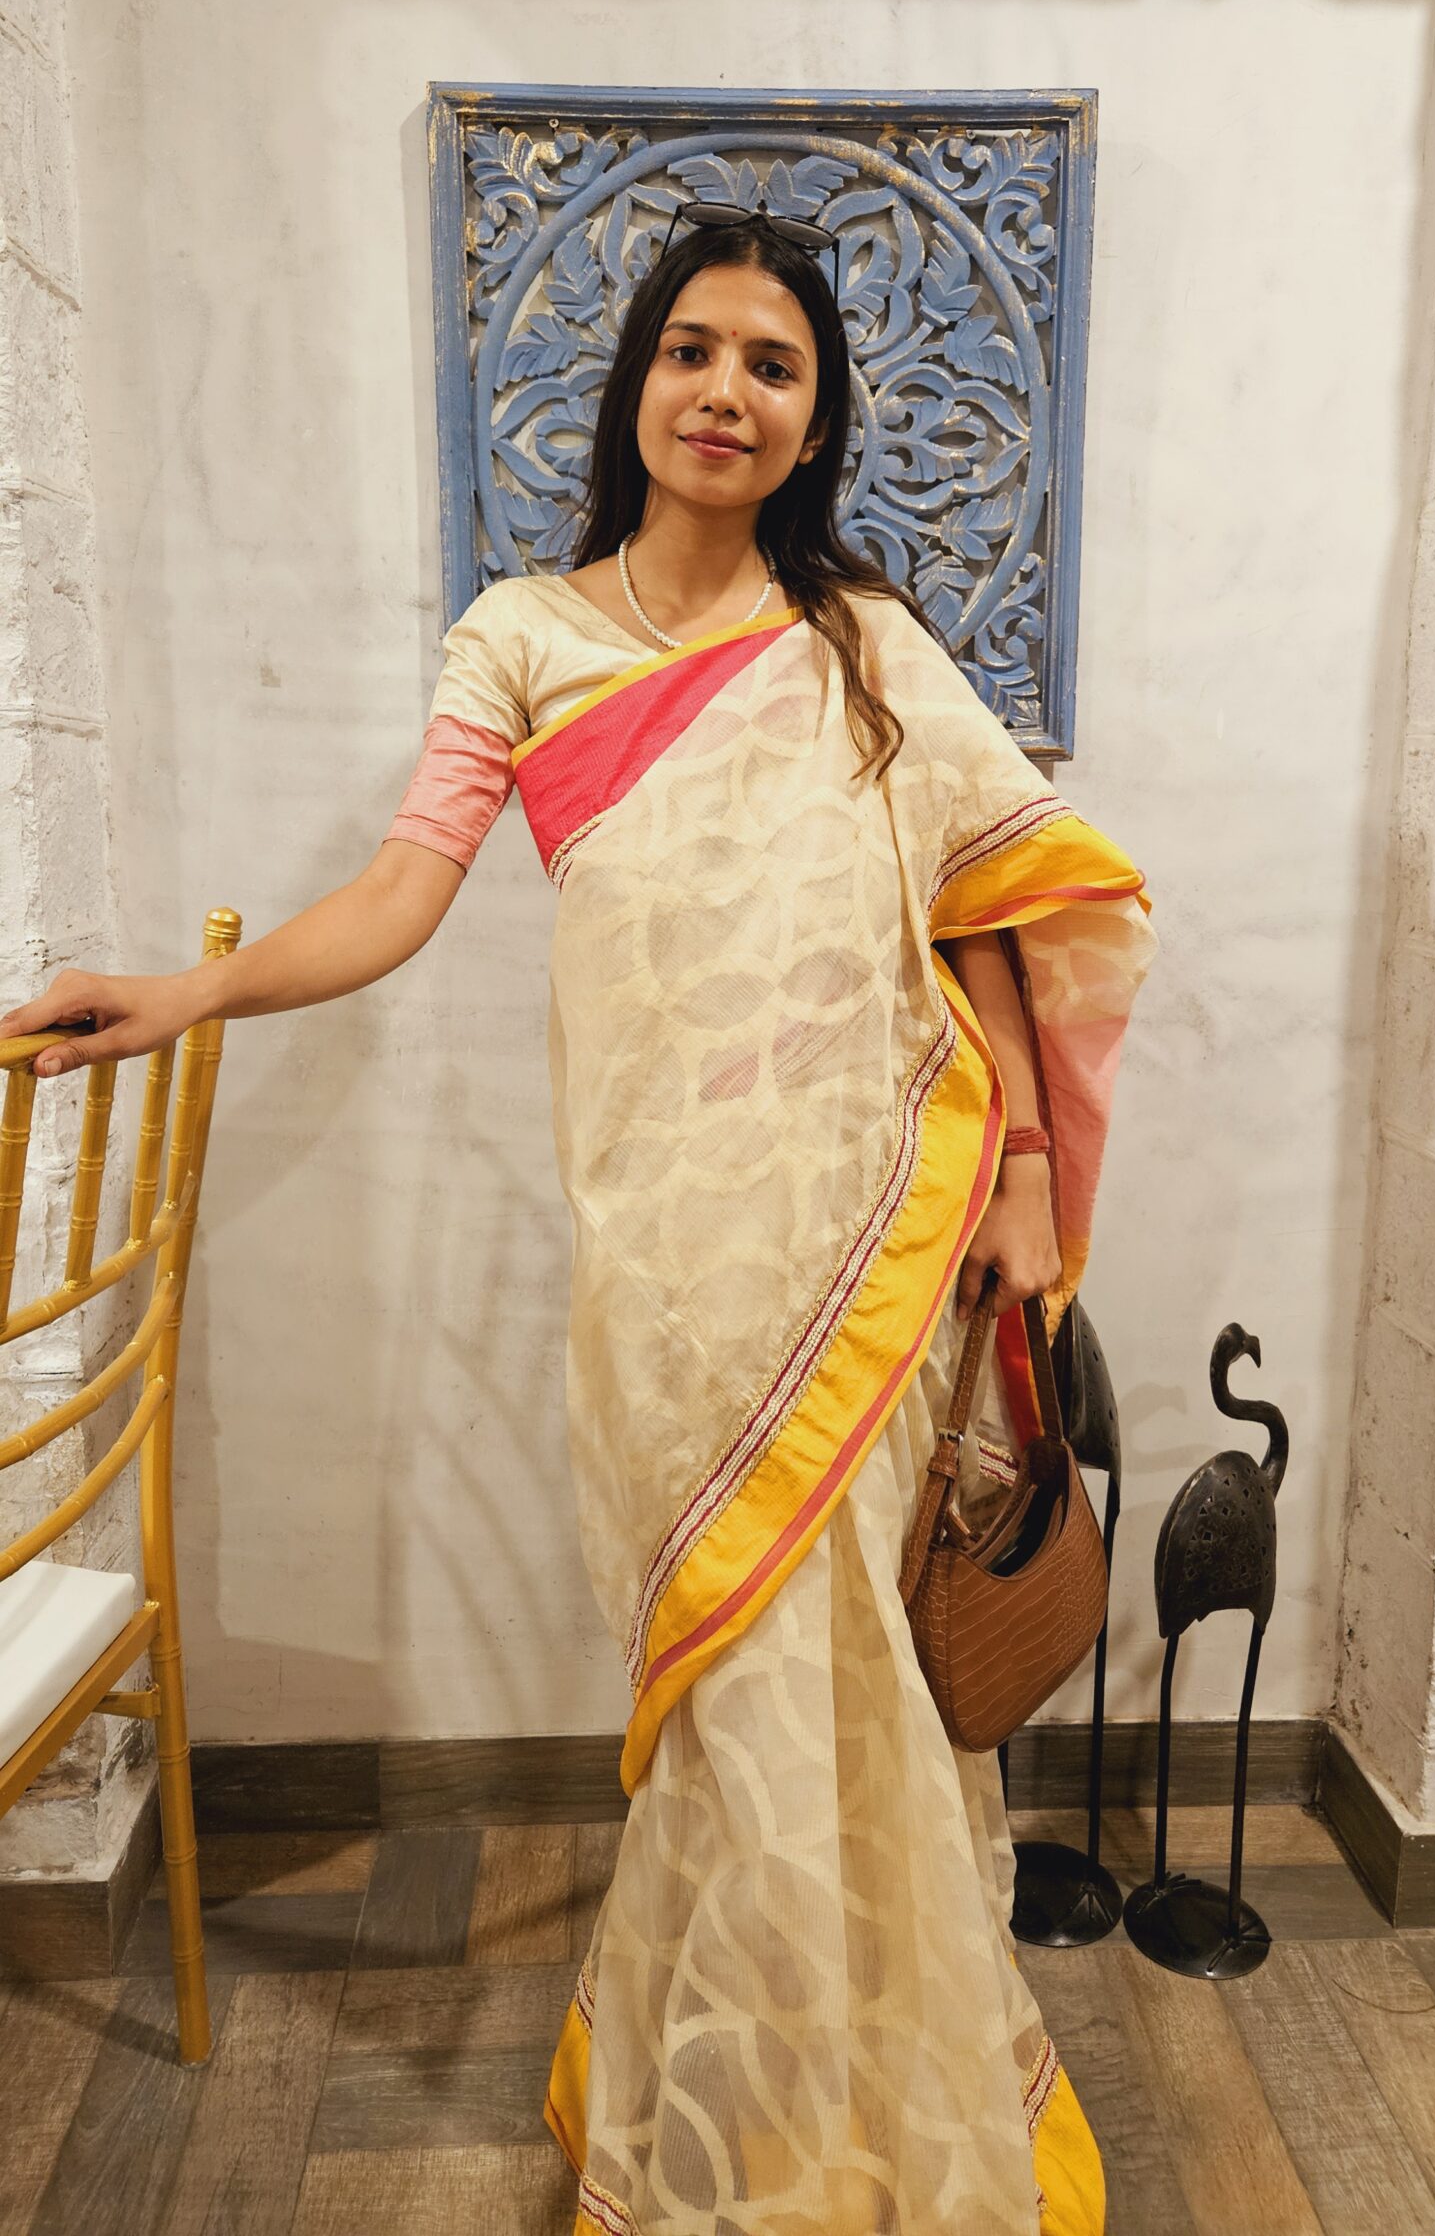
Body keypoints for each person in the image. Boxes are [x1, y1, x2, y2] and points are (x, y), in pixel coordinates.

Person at [1, 204, 1157, 2235]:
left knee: (849, 1681)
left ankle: (882, 2122)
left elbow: (986, 903)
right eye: (693, 349)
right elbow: (401, 891)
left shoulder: (859, 640)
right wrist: (192, 990)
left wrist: (1029, 1181)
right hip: (674, 1262)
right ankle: (736, 2124)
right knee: (730, 1687)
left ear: (815, 423)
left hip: (867, 1243)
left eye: (773, 366)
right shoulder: (520, 638)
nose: (725, 390)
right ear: (638, 381)